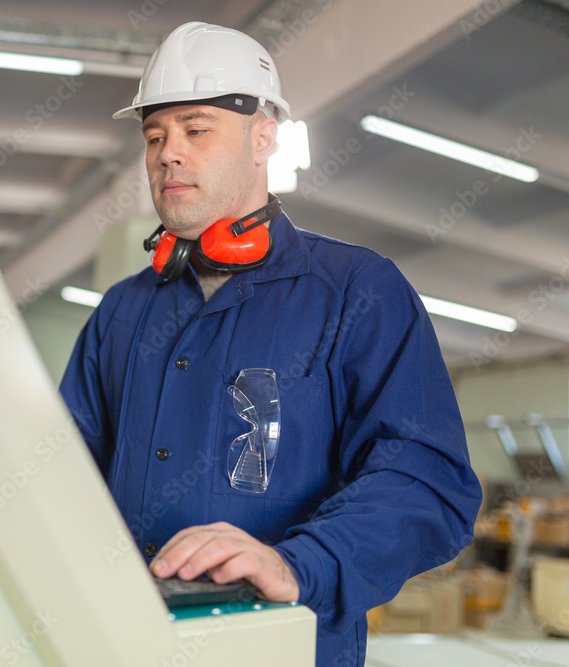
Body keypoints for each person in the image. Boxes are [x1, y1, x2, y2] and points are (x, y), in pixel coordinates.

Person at [59, 21, 482, 667]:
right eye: (155, 135)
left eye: (196, 130)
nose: (168, 153)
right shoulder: (122, 310)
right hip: (125, 644)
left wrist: (297, 563)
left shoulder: (354, 291)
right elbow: (58, 471)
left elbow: (426, 481)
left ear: (263, 138)